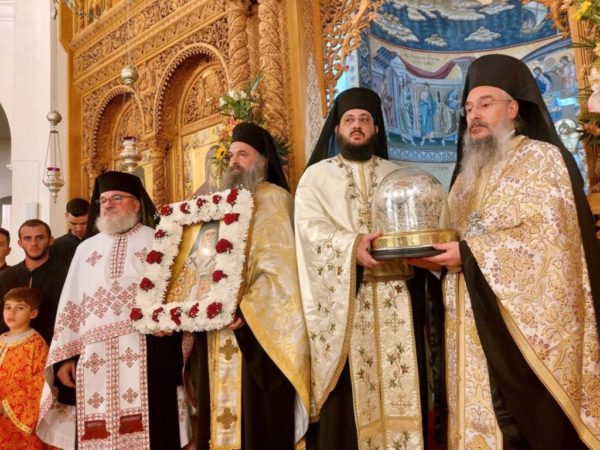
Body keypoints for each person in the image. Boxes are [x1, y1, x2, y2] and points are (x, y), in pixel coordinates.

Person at [412, 54, 600, 449]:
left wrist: (469, 255)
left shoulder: (542, 158)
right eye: (468, 108)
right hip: (467, 321)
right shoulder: (465, 176)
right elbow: (451, 236)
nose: (474, 115)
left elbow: (550, 241)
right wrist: (431, 260)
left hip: (520, 330)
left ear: (513, 109)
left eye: (485, 104)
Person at [295, 87, 444, 449]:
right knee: (349, 397)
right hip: (346, 300)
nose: (357, 126)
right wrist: (352, 246)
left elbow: (427, 224)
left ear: (376, 129)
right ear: (337, 130)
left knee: (405, 383)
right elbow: (309, 230)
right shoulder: (315, 177)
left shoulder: (400, 175)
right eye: (349, 120)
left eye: (364, 119)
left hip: (399, 296)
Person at [37, 171, 189, 450]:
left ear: (137, 203)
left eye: (117, 198)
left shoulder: (160, 241)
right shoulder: (85, 250)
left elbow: (180, 293)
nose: (107, 204)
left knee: (156, 430)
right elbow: (71, 303)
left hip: (150, 351)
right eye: (103, 200)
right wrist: (67, 357)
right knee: (97, 430)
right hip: (94, 356)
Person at [190, 122, 310, 450]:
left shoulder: (276, 199)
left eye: (243, 154)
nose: (234, 162)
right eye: (231, 156)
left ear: (263, 161)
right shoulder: (221, 204)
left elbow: (281, 273)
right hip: (217, 329)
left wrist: (245, 309)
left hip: (258, 333)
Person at [0, 219, 68, 344]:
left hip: (53, 347)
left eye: (40, 237)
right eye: (27, 238)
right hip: (9, 349)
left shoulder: (66, 275)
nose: (33, 243)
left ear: (51, 240)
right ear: (20, 243)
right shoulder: (5, 277)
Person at [0, 287, 50, 449]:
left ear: (33, 313)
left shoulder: (37, 344)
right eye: (8, 307)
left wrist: (7, 406)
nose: (11, 312)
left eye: (20, 307)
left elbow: (40, 383)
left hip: (17, 419)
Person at [49, 197, 90, 266]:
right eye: (74, 224)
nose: (79, 228)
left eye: (83, 223)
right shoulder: (55, 246)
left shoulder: (99, 242)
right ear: (66, 215)